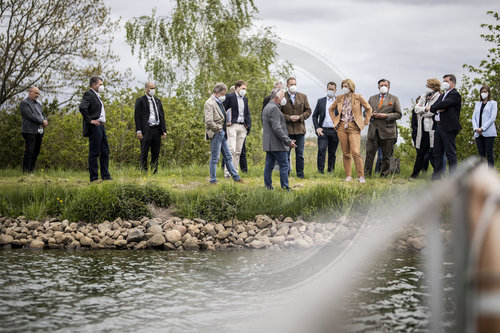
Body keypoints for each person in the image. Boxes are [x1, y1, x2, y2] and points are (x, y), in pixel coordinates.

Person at [328, 79, 372, 183]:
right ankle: (348, 176)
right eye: (343, 86)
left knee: (356, 152)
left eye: (346, 86)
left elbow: (369, 109)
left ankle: (361, 176)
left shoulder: (358, 97)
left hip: (354, 127)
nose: (344, 88)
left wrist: (365, 122)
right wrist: (335, 120)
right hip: (341, 127)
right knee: (346, 153)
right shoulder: (339, 98)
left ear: (351, 87)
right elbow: (331, 109)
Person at [204, 82, 243, 185]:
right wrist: (218, 128)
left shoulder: (219, 102)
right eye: (222, 94)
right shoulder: (209, 103)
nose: (224, 96)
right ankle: (213, 180)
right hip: (216, 133)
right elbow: (208, 120)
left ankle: (236, 177)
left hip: (222, 133)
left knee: (228, 156)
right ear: (216, 92)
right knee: (215, 157)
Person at [426, 74, 462, 180]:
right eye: (444, 81)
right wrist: (438, 108)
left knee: (450, 152)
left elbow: (442, 105)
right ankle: (436, 176)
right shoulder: (442, 95)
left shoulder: (455, 95)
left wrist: (439, 107)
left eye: (446, 81)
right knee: (437, 152)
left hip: (449, 127)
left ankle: (453, 177)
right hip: (438, 126)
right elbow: (434, 107)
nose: (444, 83)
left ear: (453, 83)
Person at [365, 79, 402, 177]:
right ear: (378, 87)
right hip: (373, 131)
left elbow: (398, 114)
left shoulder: (394, 99)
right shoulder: (372, 98)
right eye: (381, 85)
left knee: (386, 156)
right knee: (369, 155)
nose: (383, 87)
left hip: (388, 131)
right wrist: (370, 114)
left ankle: (384, 175)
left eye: (385, 85)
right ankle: (366, 175)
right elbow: (365, 112)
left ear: (389, 87)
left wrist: (385, 116)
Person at [79, 76, 112, 182]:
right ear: (94, 84)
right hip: (95, 126)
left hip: (101, 126)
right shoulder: (89, 94)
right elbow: (82, 107)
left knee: (105, 151)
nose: (102, 86)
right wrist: (90, 120)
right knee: (94, 152)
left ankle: (105, 176)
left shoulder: (97, 96)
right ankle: (94, 178)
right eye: (100, 84)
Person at [262, 88, 297, 190]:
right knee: (284, 165)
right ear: (277, 98)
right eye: (282, 96)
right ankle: (285, 187)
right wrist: (288, 141)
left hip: (269, 144)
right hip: (277, 144)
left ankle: (268, 187)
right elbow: (277, 128)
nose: (284, 99)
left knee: (269, 166)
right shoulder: (274, 109)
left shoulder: (267, 107)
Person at [281, 77, 311, 178]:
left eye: (294, 84)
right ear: (287, 85)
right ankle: (286, 174)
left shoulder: (303, 96)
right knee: (286, 153)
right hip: (287, 130)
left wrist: (300, 117)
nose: (293, 86)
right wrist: (289, 118)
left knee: (300, 154)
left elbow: (308, 111)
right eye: (291, 84)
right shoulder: (282, 96)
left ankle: (300, 175)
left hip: (300, 130)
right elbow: (279, 112)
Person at [411, 79, 441, 178]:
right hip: (423, 129)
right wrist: (425, 109)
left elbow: (433, 112)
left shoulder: (439, 97)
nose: (427, 87)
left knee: (434, 154)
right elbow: (416, 109)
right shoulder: (424, 96)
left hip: (433, 129)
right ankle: (414, 175)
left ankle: (437, 175)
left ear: (434, 87)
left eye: (429, 86)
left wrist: (422, 112)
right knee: (420, 153)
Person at [134, 82, 167, 173]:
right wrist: (138, 131)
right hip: (146, 130)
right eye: (151, 88)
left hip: (156, 129)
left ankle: (154, 171)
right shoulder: (140, 101)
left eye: (154, 88)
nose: (153, 90)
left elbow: (161, 116)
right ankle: (144, 171)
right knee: (144, 152)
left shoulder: (158, 101)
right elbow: (137, 117)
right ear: (146, 89)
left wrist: (164, 130)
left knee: (155, 152)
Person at [223, 80, 251, 177]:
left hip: (242, 126)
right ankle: (227, 172)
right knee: (231, 149)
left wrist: (248, 126)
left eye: (245, 89)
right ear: (237, 87)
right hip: (232, 126)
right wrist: (225, 122)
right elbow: (223, 110)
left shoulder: (245, 99)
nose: (244, 91)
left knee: (238, 151)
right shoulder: (229, 96)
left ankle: (235, 172)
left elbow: (247, 113)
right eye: (243, 88)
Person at [312, 82, 339, 174]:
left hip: (335, 131)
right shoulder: (321, 101)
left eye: (332, 89)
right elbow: (314, 116)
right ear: (326, 89)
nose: (331, 91)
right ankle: (320, 172)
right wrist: (317, 127)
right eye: (329, 89)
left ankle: (330, 172)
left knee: (332, 153)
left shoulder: (339, 102)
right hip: (323, 130)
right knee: (321, 151)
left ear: (335, 90)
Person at [19, 87, 48, 173]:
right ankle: (26, 171)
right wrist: (41, 121)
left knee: (36, 151)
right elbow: (30, 115)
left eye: (38, 94)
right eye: (36, 93)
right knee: (29, 151)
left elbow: (42, 114)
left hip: (39, 131)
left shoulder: (39, 104)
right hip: (29, 131)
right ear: (30, 92)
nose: (37, 95)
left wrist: (45, 120)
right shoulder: (24, 103)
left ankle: (31, 171)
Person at [472, 85, 497, 167]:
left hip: (488, 132)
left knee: (489, 153)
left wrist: (482, 128)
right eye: (482, 92)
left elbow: (492, 118)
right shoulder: (477, 104)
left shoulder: (493, 103)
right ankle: (482, 174)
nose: (483, 93)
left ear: (488, 93)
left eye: (485, 92)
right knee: (481, 155)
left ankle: (490, 173)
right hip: (477, 133)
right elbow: (473, 117)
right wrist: (476, 128)